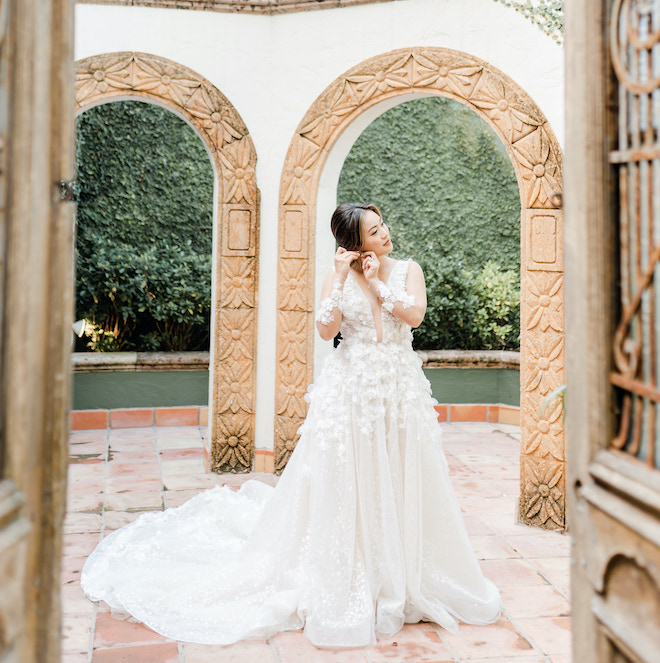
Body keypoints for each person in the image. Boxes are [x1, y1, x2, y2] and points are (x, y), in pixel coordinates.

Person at [81, 202, 502, 648]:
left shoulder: (407, 269)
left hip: (400, 387)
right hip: (352, 387)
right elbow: (326, 331)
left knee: (403, 471)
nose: (386, 234)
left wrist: (378, 282)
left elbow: (414, 316)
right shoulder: (336, 276)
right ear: (353, 242)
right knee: (349, 479)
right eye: (375, 231)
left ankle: (406, 571)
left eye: (383, 226)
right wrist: (340, 280)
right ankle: (355, 571)